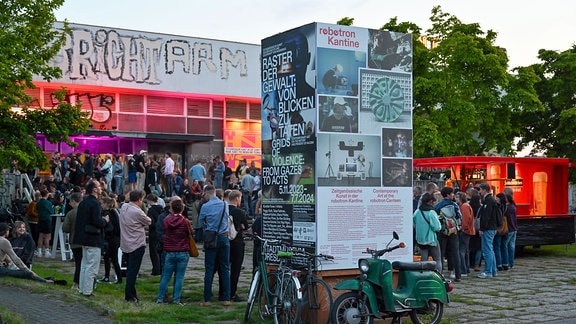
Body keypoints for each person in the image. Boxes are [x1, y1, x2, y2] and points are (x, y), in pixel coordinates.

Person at [73, 180, 110, 297]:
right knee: (92, 266)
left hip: (83, 237)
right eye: (98, 186)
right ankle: (87, 291)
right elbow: (96, 221)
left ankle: (82, 288)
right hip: (93, 238)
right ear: (94, 189)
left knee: (84, 265)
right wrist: (105, 220)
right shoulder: (95, 203)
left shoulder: (83, 203)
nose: (100, 188)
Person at [198, 185, 231, 306]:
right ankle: (226, 298)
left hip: (211, 239)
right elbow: (226, 219)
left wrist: (208, 226)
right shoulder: (224, 204)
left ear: (207, 194)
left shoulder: (205, 206)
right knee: (225, 268)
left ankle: (207, 299)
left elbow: (200, 222)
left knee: (209, 268)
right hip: (224, 237)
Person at [0, 223, 65, 285]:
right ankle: (46, 281)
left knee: (22, 272)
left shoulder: (6, 241)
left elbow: (8, 259)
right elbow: (15, 258)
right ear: (6, 231)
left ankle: (40, 278)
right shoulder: (4, 241)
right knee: (27, 274)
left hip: (4, 267)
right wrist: (26, 269)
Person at [155, 198, 190, 306]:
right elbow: (190, 234)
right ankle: (176, 299)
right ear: (182, 208)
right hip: (182, 250)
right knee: (179, 277)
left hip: (169, 250)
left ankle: (160, 298)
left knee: (165, 276)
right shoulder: (185, 221)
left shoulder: (166, 220)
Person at [119, 190, 151, 303]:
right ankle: (130, 295)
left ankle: (132, 293)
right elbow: (149, 221)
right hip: (136, 244)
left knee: (130, 270)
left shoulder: (124, 207)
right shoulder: (137, 211)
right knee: (133, 271)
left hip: (126, 243)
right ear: (139, 200)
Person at [435, 186, 462, 281]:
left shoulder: (438, 206)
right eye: (452, 193)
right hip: (453, 231)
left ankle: (440, 274)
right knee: (455, 252)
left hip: (442, 231)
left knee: (441, 253)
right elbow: (459, 216)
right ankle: (458, 275)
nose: (453, 195)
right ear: (448, 195)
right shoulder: (454, 205)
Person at [227, 190, 249, 301]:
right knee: (236, 268)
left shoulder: (224, 210)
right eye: (240, 198)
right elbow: (245, 226)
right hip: (237, 241)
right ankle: (232, 292)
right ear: (236, 198)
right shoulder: (239, 212)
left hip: (226, 240)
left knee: (224, 267)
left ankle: (223, 291)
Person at [413, 193, 442, 273]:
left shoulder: (417, 212)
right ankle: (439, 276)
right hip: (431, 239)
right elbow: (437, 227)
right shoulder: (431, 212)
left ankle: (423, 275)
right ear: (430, 201)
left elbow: (414, 224)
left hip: (421, 240)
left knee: (423, 259)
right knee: (437, 259)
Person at [477, 183, 501, 279]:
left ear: (484, 190)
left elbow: (486, 216)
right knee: (490, 250)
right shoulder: (491, 200)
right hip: (492, 228)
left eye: (480, 190)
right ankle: (493, 270)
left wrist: (482, 228)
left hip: (488, 228)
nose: (479, 192)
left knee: (487, 250)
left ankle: (488, 271)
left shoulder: (488, 201)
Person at [62, 192, 83, 290]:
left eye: (70, 202)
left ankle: (76, 282)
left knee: (78, 263)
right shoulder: (86, 211)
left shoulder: (71, 213)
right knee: (87, 264)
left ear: (74, 201)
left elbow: (65, 228)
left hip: (74, 241)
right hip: (86, 241)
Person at [99, 197, 122, 284]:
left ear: (106, 204)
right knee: (110, 258)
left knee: (112, 258)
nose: (101, 205)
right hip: (115, 238)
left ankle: (113, 277)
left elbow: (110, 227)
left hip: (111, 239)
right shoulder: (115, 212)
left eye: (102, 204)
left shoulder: (107, 213)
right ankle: (108, 276)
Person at [456, 191, 475, 277]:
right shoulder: (466, 206)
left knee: (461, 251)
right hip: (467, 230)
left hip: (465, 231)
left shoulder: (464, 206)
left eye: (457, 197)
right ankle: (466, 269)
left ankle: (463, 270)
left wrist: (462, 228)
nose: (455, 199)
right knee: (465, 251)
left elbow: (466, 218)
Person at [146, 194, 164, 276]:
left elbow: (151, 222)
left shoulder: (151, 210)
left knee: (153, 252)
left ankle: (156, 269)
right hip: (161, 232)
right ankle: (161, 268)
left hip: (153, 233)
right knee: (160, 251)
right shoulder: (161, 209)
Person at [35, 189, 54, 258]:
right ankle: (46, 251)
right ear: (47, 195)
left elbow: (36, 210)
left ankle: (39, 251)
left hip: (40, 220)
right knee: (47, 237)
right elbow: (51, 211)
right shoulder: (48, 203)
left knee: (40, 236)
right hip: (47, 220)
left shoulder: (38, 203)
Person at [503, 193, 518, 270]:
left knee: (505, 245)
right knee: (512, 247)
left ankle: (506, 262)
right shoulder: (513, 207)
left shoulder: (507, 208)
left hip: (509, 228)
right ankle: (511, 263)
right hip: (514, 228)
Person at [494, 193, 508, 271]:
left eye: (497, 197)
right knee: (504, 247)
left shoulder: (498, 207)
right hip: (505, 228)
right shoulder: (506, 206)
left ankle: (499, 264)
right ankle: (505, 264)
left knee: (497, 247)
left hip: (499, 228)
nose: (496, 199)